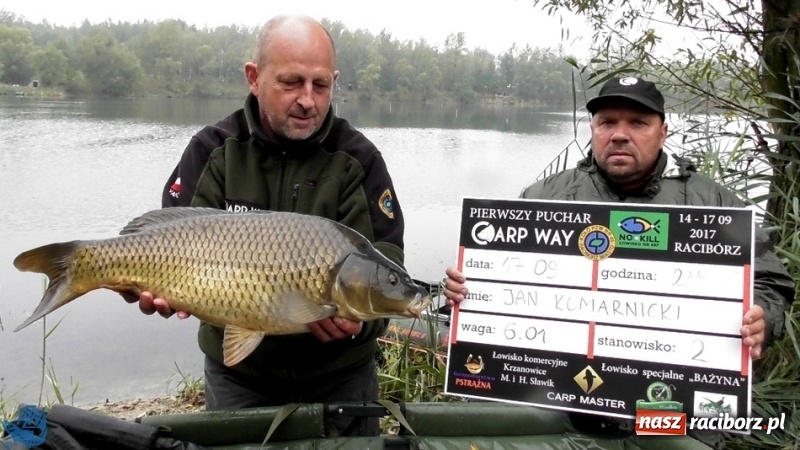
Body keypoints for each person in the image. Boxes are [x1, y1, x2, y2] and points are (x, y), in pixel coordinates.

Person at [442, 77, 794, 446]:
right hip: (561, 405)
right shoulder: (545, 196)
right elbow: (495, 282)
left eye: (637, 123)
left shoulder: (714, 204)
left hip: (670, 409)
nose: (620, 135)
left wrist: (762, 318)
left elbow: (771, 283)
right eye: (607, 122)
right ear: (593, 130)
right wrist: (465, 293)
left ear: (663, 132)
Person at [126, 15, 405, 437]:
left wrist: (362, 324)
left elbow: (388, 262)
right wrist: (146, 290)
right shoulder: (213, 150)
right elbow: (163, 243)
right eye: (291, 82)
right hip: (240, 376)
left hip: (341, 377)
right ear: (254, 78)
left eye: (321, 85)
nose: (308, 100)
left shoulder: (358, 160)